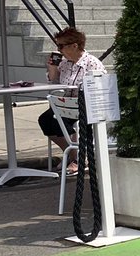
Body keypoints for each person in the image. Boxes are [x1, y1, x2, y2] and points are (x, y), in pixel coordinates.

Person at [37, 27, 106, 175]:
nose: (59, 50)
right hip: (66, 104)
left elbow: (100, 87)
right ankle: (72, 153)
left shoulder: (92, 63)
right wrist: (52, 67)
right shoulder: (64, 64)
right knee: (45, 120)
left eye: (61, 46)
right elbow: (54, 81)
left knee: (58, 121)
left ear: (74, 46)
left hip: (85, 104)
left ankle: (78, 158)